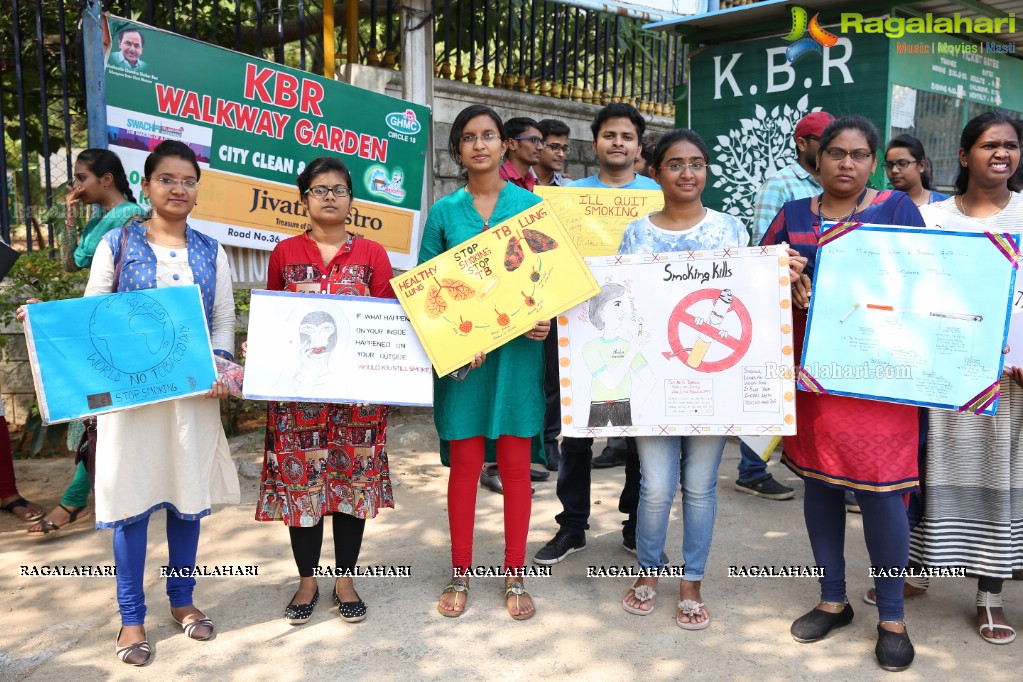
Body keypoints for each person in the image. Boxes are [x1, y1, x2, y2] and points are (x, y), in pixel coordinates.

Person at [18, 140, 239, 665]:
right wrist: (48, 322)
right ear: (147, 185)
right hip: (130, 400)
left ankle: (183, 602)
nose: (178, 188)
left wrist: (219, 368)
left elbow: (223, 320)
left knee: (188, 503)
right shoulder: (117, 245)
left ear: (197, 189)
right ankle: (131, 617)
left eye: (188, 180)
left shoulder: (212, 250)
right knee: (130, 505)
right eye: (167, 179)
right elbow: (92, 313)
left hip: (191, 400)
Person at [761, 115, 925, 672]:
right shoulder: (791, 216)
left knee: (882, 493)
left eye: (858, 154)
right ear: (817, 158)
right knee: (820, 484)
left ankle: (893, 616)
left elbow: (923, 287)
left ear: (873, 162)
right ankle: (833, 599)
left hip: (880, 381)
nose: (846, 164)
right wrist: (781, 277)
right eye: (836, 153)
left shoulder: (898, 211)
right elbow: (753, 287)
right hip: (812, 378)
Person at [619, 129, 751, 629]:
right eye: (676, 164)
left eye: (697, 163)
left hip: (712, 378)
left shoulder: (731, 230)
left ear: (707, 170)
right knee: (655, 488)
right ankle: (648, 573)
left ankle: (691, 580)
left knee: (699, 486)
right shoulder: (637, 233)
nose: (688, 173)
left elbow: (746, 302)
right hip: (654, 380)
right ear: (656, 171)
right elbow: (625, 303)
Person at [255, 157, 395, 626]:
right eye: (319, 189)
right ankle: (307, 581)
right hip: (299, 401)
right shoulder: (285, 253)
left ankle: (345, 579)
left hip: (358, 401)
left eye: (338, 189)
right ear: (304, 199)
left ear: (352, 199)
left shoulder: (373, 255)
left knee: (351, 486)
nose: (330, 196)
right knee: (302, 489)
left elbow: (388, 325)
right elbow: (275, 322)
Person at [422, 104, 549, 620]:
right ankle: (460, 570)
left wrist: (545, 320)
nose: (480, 145)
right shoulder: (444, 213)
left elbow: (546, 279)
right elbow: (426, 290)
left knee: (517, 466)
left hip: (518, 353)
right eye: (469, 137)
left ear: (504, 145)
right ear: (457, 150)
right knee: (466, 466)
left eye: (489, 136)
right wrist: (451, 337)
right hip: (463, 356)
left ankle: (516, 572)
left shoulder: (529, 206)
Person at [908, 112, 1023, 646]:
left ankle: (989, 596)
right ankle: (907, 572)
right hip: (943, 373)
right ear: (963, 155)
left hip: (1009, 380)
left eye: (1011, 146)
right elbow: (913, 292)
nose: (1001, 154)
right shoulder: (930, 219)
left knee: (997, 483)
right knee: (925, 474)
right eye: (990, 145)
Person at [534, 103, 656, 564]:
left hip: (638, 327)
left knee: (638, 431)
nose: (618, 143)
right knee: (577, 434)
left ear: (638, 146)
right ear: (596, 143)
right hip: (575, 327)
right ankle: (572, 525)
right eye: (610, 135)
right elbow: (546, 256)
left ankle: (635, 522)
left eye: (627, 136)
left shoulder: (657, 196)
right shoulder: (568, 196)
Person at [29, 149, 148, 538]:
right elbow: (69, 262)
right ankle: (80, 498)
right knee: (95, 417)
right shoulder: (100, 219)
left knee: (98, 416)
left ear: (106, 179)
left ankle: (74, 501)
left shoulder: (130, 218)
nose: (76, 185)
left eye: (81, 177)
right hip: (96, 326)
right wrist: (70, 215)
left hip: (114, 329)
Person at [737, 111, 836, 504]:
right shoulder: (781, 183)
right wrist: (789, 280)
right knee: (775, 387)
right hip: (786, 302)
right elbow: (764, 247)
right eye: (825, 143)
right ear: (804, 143)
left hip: (828, 306)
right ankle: (751, 470)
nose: (834, 152)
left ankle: (829, 471)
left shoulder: (834, 183)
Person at [535, 118, 571, 473]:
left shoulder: (570, 192)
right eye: (553, 146)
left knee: (553, 375)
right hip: (520, 289)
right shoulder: (517, 187)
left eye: (564, 148)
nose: (560, 153)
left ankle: (550, 442)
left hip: (557, 291)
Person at [884, 134, 950, 206]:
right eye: (889, 165)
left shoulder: (944, 204)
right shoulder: (880, 203)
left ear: (921, 165)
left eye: (902, 163)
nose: (894, 170)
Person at [499, 117, 542, 192]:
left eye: (541, 142)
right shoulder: (498, 180)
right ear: (512, 144)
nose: (540, 147)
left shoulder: (535, 182)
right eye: (534, 140)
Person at [534, 118, 571, 188]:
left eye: (564, 149)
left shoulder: (567, 187)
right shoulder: (516, 181)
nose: (561, 154)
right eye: (555, 147)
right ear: (539, 145)